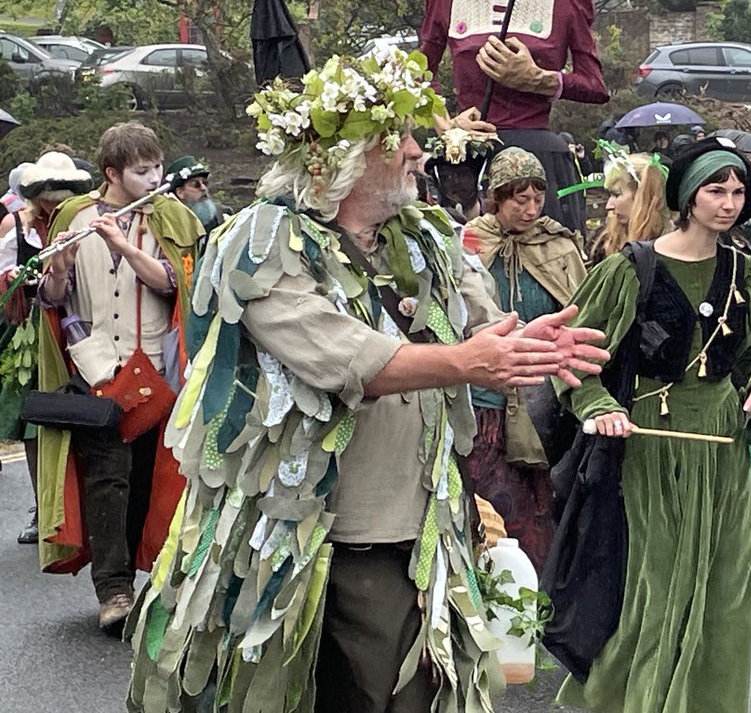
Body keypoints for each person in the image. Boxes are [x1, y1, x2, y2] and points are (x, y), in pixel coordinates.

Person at [125, 48, 607, 712]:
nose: (417, 150)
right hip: (315, 536)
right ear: (343, 160)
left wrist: (519, 344)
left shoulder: (426, 239)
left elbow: (477, 322)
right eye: (398, 138)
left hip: (425, 523)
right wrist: (463, 363)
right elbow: (342, 356)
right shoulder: (261, 246)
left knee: (414, 694)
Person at [553, 137, 751, 711]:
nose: (729, 203)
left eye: (737, 192)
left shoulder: (744, 271)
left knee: (722, 590)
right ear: (686, 196)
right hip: (651, 445)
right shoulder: (632, 268)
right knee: (658, 585)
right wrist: (599, 406)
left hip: (724, 446)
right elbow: (572, 354)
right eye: (715, 190)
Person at [37, 123, 204, 634]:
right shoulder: (73, 216)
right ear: (111, 173)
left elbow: (181, 287)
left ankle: (149, 575)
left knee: (152, 477)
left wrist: (127, 247)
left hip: (156, 365)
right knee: (106, 476)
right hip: (94, 366)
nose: (155, 178)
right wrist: (61, 265)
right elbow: (51, 299)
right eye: (142, 171)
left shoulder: (173, 216)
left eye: (157, 167)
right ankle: (113, 589)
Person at [419, 0, 609, 233]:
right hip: (470, 165)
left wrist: (539, 79)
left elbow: (596, 86)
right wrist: (447, 125)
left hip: (541, 162)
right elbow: (415, 79)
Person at [463, 147, 587, 569]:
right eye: (520, 200)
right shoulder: (468, 244)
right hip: (484, 401)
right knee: (487, 505)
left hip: (543, 398)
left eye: (539, 199)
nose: (532, 209)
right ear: (496, 197)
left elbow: (580, 308)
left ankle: (538, 600)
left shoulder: (558, 246)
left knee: (540, 508)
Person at [0, 154, 92, 545]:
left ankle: (85, 506)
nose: (56, 205)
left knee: (87, 420)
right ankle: (44, 508)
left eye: (64, 196)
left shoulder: (87, 229)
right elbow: (4, 286)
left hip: (79, 332)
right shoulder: (19, 234)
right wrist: (17, 280)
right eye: (50, 198)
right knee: (34, 425)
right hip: (33, 335)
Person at [588, 149, 669, 265]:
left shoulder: (671, 250)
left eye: (616, 194)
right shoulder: (602, 241)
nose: (608, 206)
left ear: (643, 198)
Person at [164, 155, 226, 234]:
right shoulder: (170, 226)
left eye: (205, 183)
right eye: (195, 184)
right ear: (180, 193)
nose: (203, 188)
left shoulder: (223, 216)